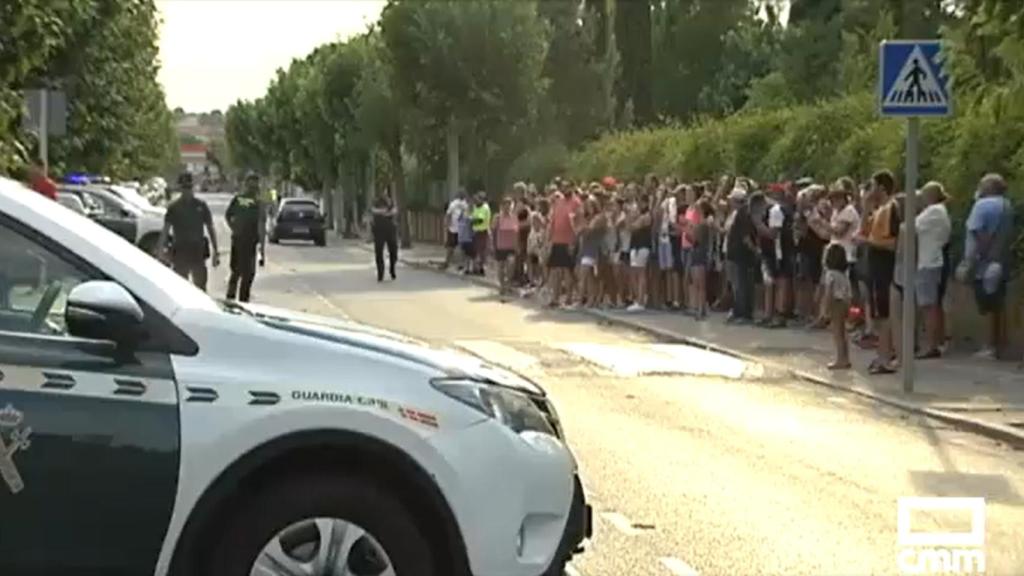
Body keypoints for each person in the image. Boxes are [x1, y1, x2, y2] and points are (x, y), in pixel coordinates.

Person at [959, 173, 1014, 359]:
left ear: (989, 187)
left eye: (982, 184)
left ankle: (988, 345)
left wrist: (977, 258)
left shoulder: (982, 205)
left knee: (986, 305)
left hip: (984, 263)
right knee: (998, 302)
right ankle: (999, 343)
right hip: (1001, 260)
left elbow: (978, 232)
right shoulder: (1006, 205)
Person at [158, 172, 219, 291]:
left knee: (200, 287)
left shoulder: (201, 205)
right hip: (181, 250)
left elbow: (210, 228)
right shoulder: (174, 208)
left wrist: (216, 251)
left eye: (189, 187)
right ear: (180, 188)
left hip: (197, 250)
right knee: (181, 288)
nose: (187, 190)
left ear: (193, 187)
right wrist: (160, 250)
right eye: (184, 187)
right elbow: (165, 230)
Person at [864, 170, 899, 374]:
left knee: (884, 314)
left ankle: (885, 357)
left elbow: (895, 242)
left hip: (885, 268)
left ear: (882, 187)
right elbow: (864, 230)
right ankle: (881, 355)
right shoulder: (879, 209)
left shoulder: (891, 209)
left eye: (872, 185)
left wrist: (871, 242)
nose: (869, 189)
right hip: (875, 268)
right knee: (878, 315)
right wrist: (865, 206)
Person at [915, 182, 952, 359]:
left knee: (928, 305)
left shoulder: (934, 211)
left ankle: (931, 345)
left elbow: (911, 227)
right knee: (933, 304)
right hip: (932, 259)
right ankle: (936, 341)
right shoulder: (939, 211)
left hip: (928, 261)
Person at [225, 172, 267, 302]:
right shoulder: (258, 203)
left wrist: (234, 228)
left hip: (238, 240)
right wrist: (262, 249)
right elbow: (261, 226)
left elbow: (228, 216)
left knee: (236, 271)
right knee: (247, 274)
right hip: (249, 243)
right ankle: (243, 301)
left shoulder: (238, 199)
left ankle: (230, 299)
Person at [823, 242, 853, 370]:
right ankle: (845, 358)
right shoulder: (843, 275)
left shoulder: (830, 274)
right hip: (845, 302)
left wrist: (826, 308)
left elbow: (829, 292)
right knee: (843, 332)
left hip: (836, 302)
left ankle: (840, 359)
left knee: (837, 333)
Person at [689, 200, 715, 320]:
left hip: (701, 253)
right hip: (696, 252)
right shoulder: (700, 223)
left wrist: (689, 231)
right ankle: (699, 307)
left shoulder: (704, 224)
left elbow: (696, 239)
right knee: (696, 283)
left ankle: (701, 309)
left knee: (701, 284)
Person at [492, 197, 519, 300]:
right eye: (505, 205)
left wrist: (517, 245)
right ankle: (502, 285)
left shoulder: (514, 217)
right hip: (500, 245)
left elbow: (516, 232)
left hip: (511, 246)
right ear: (502, 206)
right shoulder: (498, 217)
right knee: (500, 267)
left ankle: (508, 283)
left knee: (511, 266)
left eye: (509, 205)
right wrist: (493, 245)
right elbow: (493, 230)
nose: (507, 207)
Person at [370, 190, 399, 282]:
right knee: (379, 252)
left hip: (390, 229)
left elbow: (395, 210)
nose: (384, 193)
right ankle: (380, 273)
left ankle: (392, 268)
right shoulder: (376, 201)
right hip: (379, 230)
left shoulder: (391, 201)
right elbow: (373, 210)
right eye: (383, 192)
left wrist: (386, 213)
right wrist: (384, 211)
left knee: (393, 251)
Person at [443, 191, 468, 270]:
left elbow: (448, 215)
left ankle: (449, 263)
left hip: (456, 228)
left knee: (452, 247)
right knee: (457, 247)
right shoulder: (463, 204)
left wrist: (446, 224)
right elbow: (448, 215)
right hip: (457, 228)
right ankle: (459, 263)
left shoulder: (454, 204)